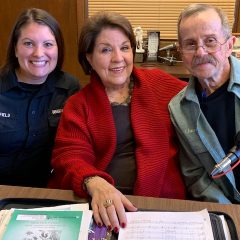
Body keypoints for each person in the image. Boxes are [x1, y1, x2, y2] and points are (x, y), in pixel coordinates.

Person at [49, 11, 186, 232]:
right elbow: (69, 155)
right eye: (105, 50)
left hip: (161, 206)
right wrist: (94, 181)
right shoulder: (78, 104)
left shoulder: (160, 84)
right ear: (89, 58)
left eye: (124, 48)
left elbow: (204, 95)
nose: (118, 58)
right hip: (101, 207)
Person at [0, 8, 80, 187]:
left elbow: (75, 148)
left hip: (49, 193)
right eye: (28, 43)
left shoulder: (69, 88)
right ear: (15, 48)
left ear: (58, 48)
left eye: (48, 44)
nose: (38, 53)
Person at [169, 3, 240, 204]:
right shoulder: (179, 109)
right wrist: (230, 213)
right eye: (190, 44)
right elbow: (196, 176)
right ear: (181, 52)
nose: (200, 52)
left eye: (210, 41)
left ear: (229, 45)